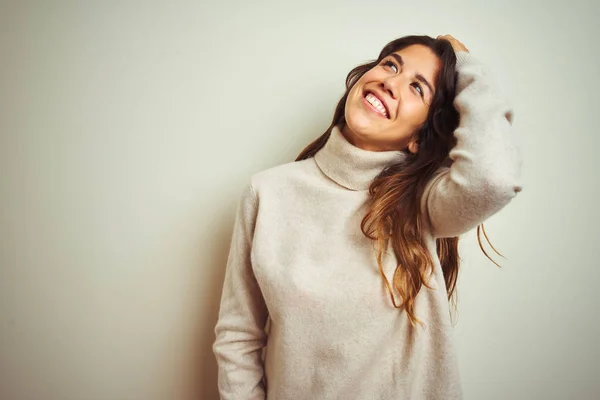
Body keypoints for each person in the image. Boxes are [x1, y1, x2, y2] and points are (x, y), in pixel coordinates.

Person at [212, 33, 523, 400]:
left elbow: (495, 178)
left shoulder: (424, 204)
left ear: (418, 139)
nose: (390, 83)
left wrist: (465, 64)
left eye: (417, 88)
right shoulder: (267, 194)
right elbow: (238, 337)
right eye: (391, 64)